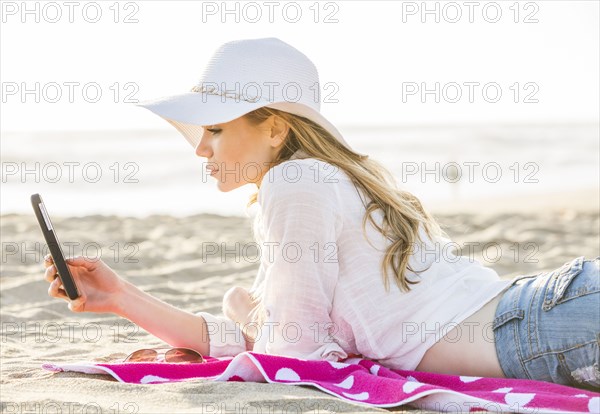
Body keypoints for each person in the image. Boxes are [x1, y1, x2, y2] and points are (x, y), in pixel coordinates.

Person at [43, 37, 600, 391]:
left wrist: (246, 318)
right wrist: (123, 300)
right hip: (551, 317)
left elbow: (292, 351)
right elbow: (284, 337)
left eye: (217, 129)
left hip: (543, 326)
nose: (201, 149)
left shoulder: (296, 180)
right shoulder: (316, 180)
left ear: (276, 128)